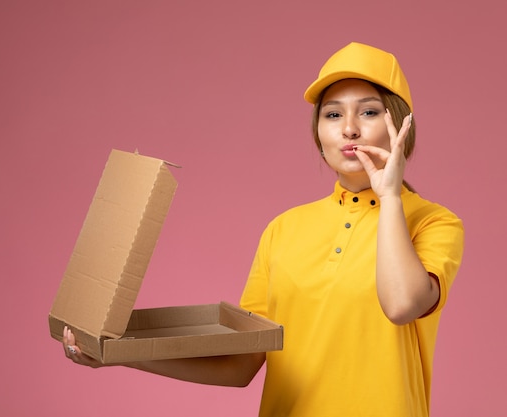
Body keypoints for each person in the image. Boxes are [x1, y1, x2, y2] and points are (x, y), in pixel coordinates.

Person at [62, 42, 464, 417]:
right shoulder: (283, 229)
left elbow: (401, 305)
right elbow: (242, 363)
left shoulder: (433, 222)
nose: (350, 129)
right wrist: (115, 353)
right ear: (319, 131)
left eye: (370, 111)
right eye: (333, 114)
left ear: (401, 126)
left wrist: (391, 197)